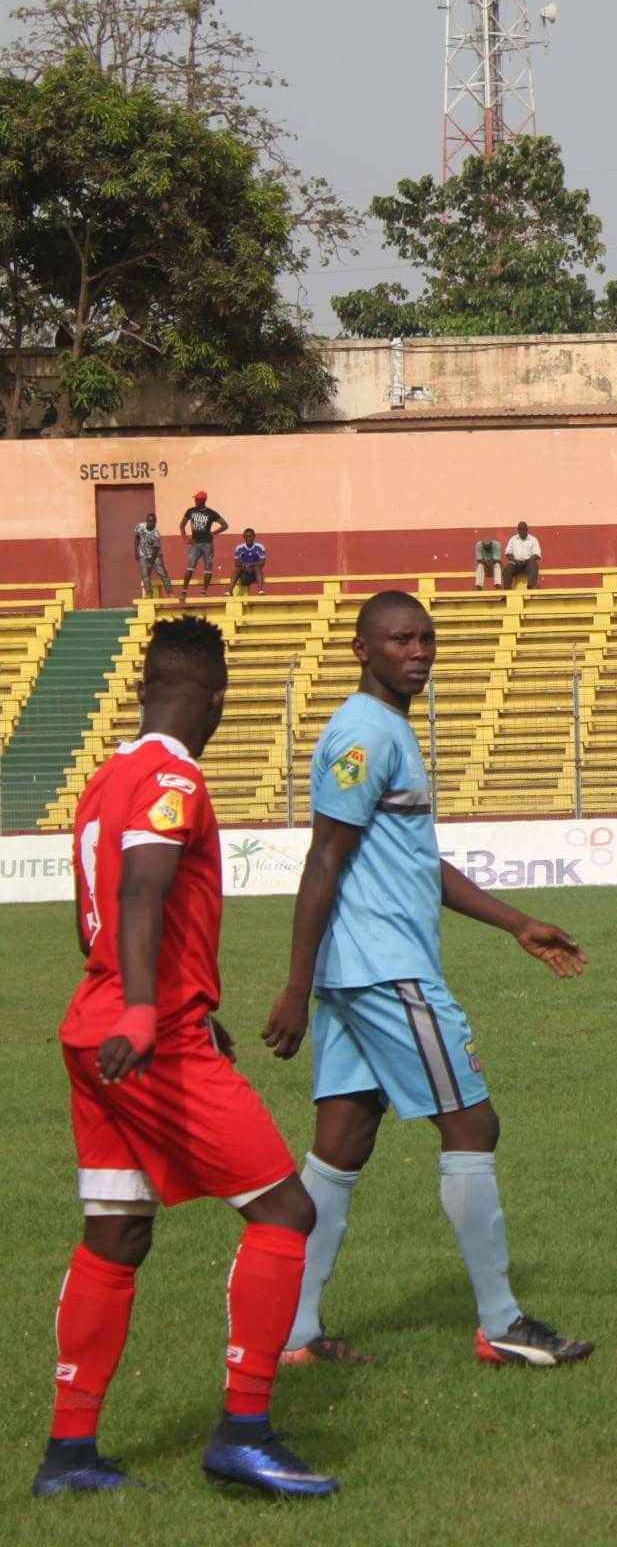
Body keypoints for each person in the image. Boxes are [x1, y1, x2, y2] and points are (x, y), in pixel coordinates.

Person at [36, 617, 337, 1501]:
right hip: (147, 1037)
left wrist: (172, 1000)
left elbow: (91, 920)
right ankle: (244, 1432)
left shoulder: (104, 780)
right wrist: (149, 1010)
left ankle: (69, 1454)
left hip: (96, 1032)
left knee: (117, 1232)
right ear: (215, 700)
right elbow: (143, 889)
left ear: (141, 691)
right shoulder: (173, 776)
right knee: (284, 1209)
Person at [263, 591, 593, 1370]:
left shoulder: (389, 729)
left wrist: (515, 923)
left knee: (343, 1141)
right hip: (386, 971)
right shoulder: (363, 733)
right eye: (399, 640)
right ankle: (502, 1322)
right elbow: (324, 859)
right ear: (361, 649)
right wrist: (294, 985)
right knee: (473, 1126)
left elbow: (413, 861)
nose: (417, 653)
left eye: (426, 639)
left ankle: (292, 1333)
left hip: (363, 972)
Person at [178, 491, 227, 600]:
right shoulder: (191, 511)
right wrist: (185, 538)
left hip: (207, 544)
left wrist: (213, 533)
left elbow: (225, 525)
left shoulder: (211, 513)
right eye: (195, 499)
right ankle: (184, 591)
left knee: (208, 568)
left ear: (203, 500)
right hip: (195, 544)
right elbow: (182, 525)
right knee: (190, 567)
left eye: (197, 499)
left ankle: (204, 592)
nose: (195, 501)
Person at [133, 513, 168, 599]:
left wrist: (151, 563)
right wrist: (135, 551)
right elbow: (136, 538)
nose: (150, 523)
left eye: (152, 522)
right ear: (146, 521)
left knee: (162, 573)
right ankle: (149, 592)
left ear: (155, 522)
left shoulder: (156, 534)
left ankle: (170, 591)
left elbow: (156, 550)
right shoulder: (140, 527)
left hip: (155, 555)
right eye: (149, 521)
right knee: (145, 573)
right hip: (143, 555)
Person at [502, 522, 542, 590]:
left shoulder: (533, 540)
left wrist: (527, 561)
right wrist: (515, 560)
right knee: (507, 568)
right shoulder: (513, 539)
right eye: (520, 529)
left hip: (528, 564)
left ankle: (531, 587)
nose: (522, 531)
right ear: (518, 530)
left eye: (524, 529)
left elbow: (537, 555)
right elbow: (508, 553)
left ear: (527, 529)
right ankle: (507, 590)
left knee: (534, 565)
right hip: (515, 564)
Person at [231, 530, 268, 596]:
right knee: (237, 568)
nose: (248, 538)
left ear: (254, 537)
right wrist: (242, 565)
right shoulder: (239, 547)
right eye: (246, 537)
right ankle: (229, 591)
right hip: (244, 575)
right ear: (244, 537)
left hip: (255, 574)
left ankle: (260, 591)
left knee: (257, 567)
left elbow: (262, 562)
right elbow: (236, 563)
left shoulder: (260, 547)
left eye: (250, 536)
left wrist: (250, 564)